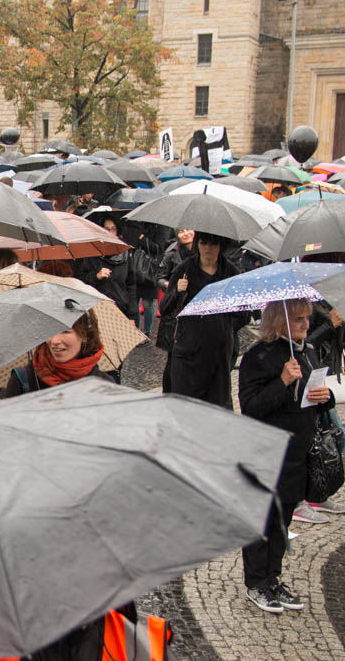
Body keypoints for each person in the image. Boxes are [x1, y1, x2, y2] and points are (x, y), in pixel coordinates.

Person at [238, 299, 334, 613]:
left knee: (282, 522)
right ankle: (256, 583)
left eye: (308, 319)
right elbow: (252, 406)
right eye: (299, 319)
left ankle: (273, 578)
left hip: (297, 454)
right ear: (280, 321)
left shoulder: (304, 351)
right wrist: (282, 381)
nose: (307, 325)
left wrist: (325, 398)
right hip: (266, 453)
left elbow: (309, 399)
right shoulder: (257, 356)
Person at [159, 232, 247, 407]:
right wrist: (177, 291)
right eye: (203, 243)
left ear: (221, 246)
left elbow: (244, 314)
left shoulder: (230, 272)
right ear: (197, 244)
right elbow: (165, 308)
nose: (208, 248)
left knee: (216, 408)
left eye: (213, 244)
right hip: (187, 352)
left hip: (218, 354)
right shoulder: (184, 270)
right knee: (185, 407)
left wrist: (223, 324)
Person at [3, 310, 113, 396]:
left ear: (84, 335)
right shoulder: (23, 380)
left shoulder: (105, 385)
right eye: (50, 331)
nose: (54, 341)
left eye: (65, 331)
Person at [74, 216, 136, 321]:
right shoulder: (90, 255)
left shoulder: (125, 255)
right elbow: (79, 281)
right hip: (97, 310)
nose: (110, 232)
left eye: (113, 229)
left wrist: (132, 315)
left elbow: (131, 285)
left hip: (120, 310)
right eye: (106, 229)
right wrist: (96, 276)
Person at [155, 228, 195, 366]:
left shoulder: (202, 253)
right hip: (174, 307)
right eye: (181, 231)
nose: (185, 234)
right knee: (173, 357)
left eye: (189, 229)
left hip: (193, 306)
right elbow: (160, 277)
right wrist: (170, 285)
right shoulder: (171, 254)